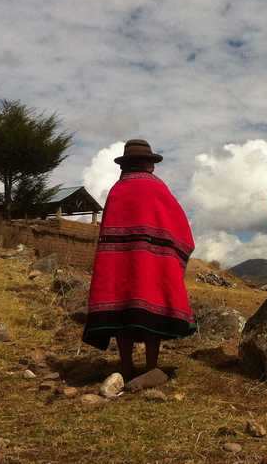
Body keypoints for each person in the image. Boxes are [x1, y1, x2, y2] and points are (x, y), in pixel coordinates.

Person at [82, 139, 196, 380]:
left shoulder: (117, 189)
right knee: (149, 317)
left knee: (122, 316)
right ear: (149, 164)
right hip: (151, 264)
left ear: (126, 165)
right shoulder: (157, 188)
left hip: (119, 265)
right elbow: (180, 228)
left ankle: (125, 366)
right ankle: (151, 367)